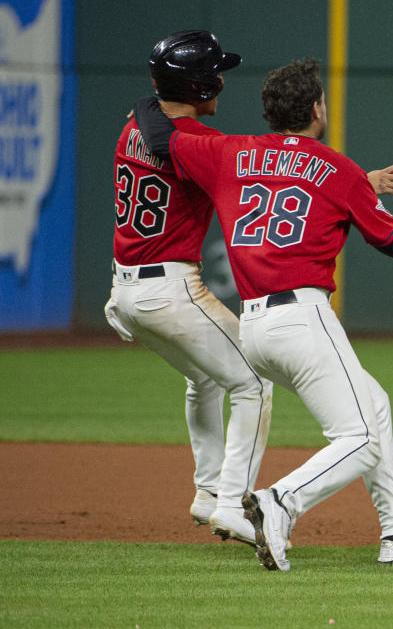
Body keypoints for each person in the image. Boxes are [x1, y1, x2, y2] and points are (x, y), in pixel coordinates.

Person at [133, 57, 393, 570]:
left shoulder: (229, 152)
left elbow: (160, 138)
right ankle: (280, 502)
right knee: (361, 439)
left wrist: (152, 95)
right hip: (303, 319)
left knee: (376, 404)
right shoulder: (337, 169)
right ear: (316, 108)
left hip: (253, 327)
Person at [104, 30, 275, 546]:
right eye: (216, 73)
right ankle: (232, 504)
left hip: (125, 294)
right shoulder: (200, 143)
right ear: (199, 85)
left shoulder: (134, 124)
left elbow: (155, 115)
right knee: (256, 383)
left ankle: (207, 493)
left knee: (205, 381)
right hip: (172, 291)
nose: (222, 80)